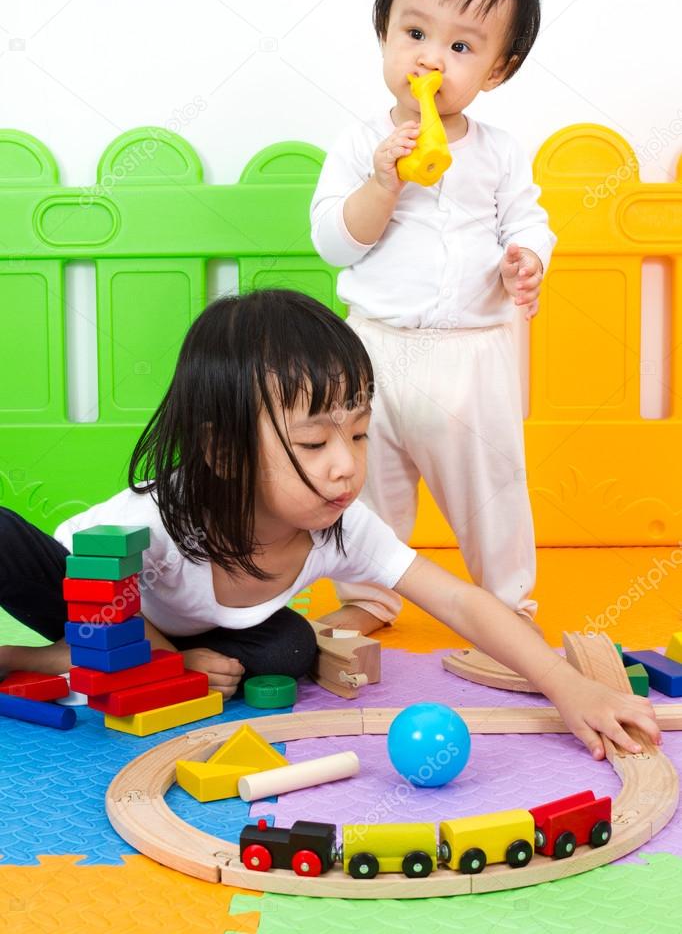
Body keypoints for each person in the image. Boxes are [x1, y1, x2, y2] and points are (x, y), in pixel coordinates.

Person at [0, 289, 658, 761]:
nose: (347, 466)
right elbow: (94, 577)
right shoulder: (164, 518)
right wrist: (169, 659)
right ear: (223, 452)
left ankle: (139, 662)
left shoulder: (342, 525)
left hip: (204, 626)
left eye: (361, 432)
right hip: (89, 596)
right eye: (314, 443)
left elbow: (455, 597)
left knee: (292, 649)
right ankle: (32, 659)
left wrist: (568, 685)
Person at [311, 0, 554, 632]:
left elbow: (528, 221)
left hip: (471, 357)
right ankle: (366, 601)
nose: (430, 57)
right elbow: (335, 240)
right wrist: (381, 184)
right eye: (415, 32)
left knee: (494, 486)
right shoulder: (363, 144)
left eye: (461, 46)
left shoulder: (498, 153)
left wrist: (526, 259)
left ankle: (509, 606)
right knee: (361, 485)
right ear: (385, 34)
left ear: (498, 68)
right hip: (373, 352)